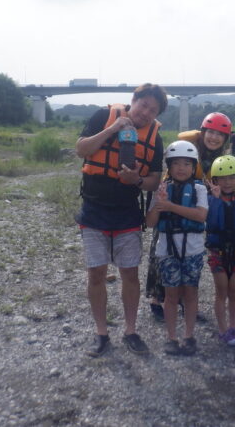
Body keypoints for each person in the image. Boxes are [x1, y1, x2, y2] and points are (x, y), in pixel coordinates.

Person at [76, 83, 168, 357]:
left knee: (130, 273)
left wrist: (137, 180)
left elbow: (154, 181)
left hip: (128, 212)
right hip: (94, 210)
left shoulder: (155, 137)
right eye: (144, 105)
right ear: (133, 100)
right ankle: (101, 333)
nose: (146, 112)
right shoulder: (102, 117)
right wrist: (112, 130)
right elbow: (82, 149)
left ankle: (130, 330)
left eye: (153, 110)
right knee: (96, 274)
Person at [146, 112, 232, 319]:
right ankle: (158, 300)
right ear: (202, 133)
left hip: (193, 207)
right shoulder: (189, 147)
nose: (214, 138)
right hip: (169, 201)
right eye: (210, 132)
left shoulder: (218, 159)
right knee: (161, 253)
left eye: (220, 134)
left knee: (187, 257)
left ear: (225, 139)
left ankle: (185, 302)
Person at [145, 141, 208, 356]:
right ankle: (171, 337)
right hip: (167, 250)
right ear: (169, 167)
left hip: (193, 250)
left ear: (193, 167)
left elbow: (200, 215)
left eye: (186, 164)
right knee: (170, 296)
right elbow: (151, 222)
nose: (181, 168)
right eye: (176, 164)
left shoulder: (200, 189)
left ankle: (189, 335)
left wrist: (170, 206)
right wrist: (159, 203)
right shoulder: (162, 190)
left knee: (191, 293)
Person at [206, 155, 235, 346]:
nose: (228, 182)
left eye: (232, 178)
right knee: (221, 291)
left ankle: (233, 327)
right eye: (222, 178)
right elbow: (211, 220)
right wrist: (215, 200)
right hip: (218, 252)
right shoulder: (210, 201)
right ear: (215, 181)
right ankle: (223, 330)